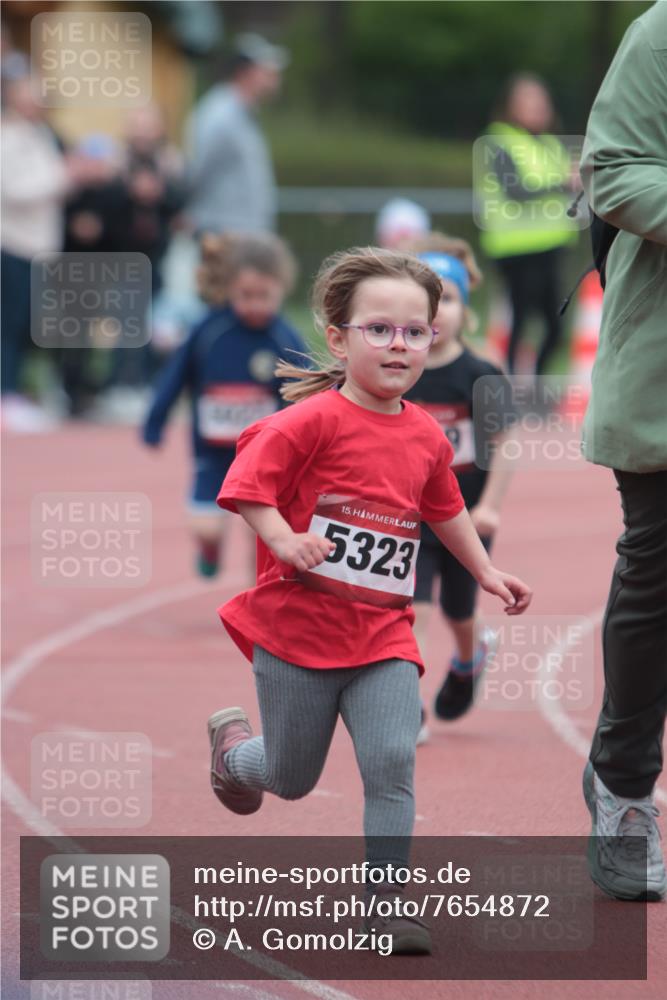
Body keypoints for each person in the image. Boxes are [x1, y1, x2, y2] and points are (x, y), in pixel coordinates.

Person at [208, 247, 532, 954]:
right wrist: (284, 538)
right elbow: (244, 487)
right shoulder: (308, 423)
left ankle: (383, 907)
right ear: (337, 336)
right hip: (296, 632)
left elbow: (444, 508)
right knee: (290, 779)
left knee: (391, 761)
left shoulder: (421, 433)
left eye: (413, 332)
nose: (398, 345)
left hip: (382, 634)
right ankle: (235, 756)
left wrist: (483, 571)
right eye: (378, 330)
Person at [578, 0, 667, 903]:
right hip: (664, 375)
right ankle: (624, 786)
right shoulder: (661, 32)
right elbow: (617, 174)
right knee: (659, 580)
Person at [403, 234, 515, 741]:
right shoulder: (400, 370)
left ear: (464, 310)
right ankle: (412, 708)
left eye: (447, 298)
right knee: (412, 611)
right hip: (408, 517)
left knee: (458, 610)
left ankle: (471, 656)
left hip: (466, 517)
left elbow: (504, 444)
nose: (438, 311)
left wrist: (490, 506)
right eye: (428, 300)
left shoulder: (480, 373)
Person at [142, 232, 306, 578]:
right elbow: (175, 377)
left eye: (265, 296)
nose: (256, 305)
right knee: (207, 527)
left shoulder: (284, 338)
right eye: (246, 296)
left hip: (263, 456)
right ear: (230, 288)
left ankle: (256, 599)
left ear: (281, 290)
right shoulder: (208, 330)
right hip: (213, 453)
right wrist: (155, 422)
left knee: (260, 532)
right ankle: (210, 547)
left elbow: (308, 393)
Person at [476, 73, 580, 374]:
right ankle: (510, 390)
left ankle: (533, 384)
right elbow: (515, 190)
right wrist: (563, 183)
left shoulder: (550, 144)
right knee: (519, 323)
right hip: (515, 249)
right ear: (511, 106)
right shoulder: (499, 140)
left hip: (551, 246)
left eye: (542, 101)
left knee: (556, 327)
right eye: (529, 101)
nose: (538, 107)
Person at [1, 71, 69, 432]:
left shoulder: (42, 134)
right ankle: (6, 394)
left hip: (41, 248)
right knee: (10, 324)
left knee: (32, 325)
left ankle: (20, 391)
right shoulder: (7, 138)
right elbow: (13, 190)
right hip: (13, 244)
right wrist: (64, 177)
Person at [185, 33, 288, 236]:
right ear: (245, 72)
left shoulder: (243, 113)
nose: (275, 79)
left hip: (243, 234)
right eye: (267, 72)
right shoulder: (220, 115)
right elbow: (196, 169)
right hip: (224, 233)